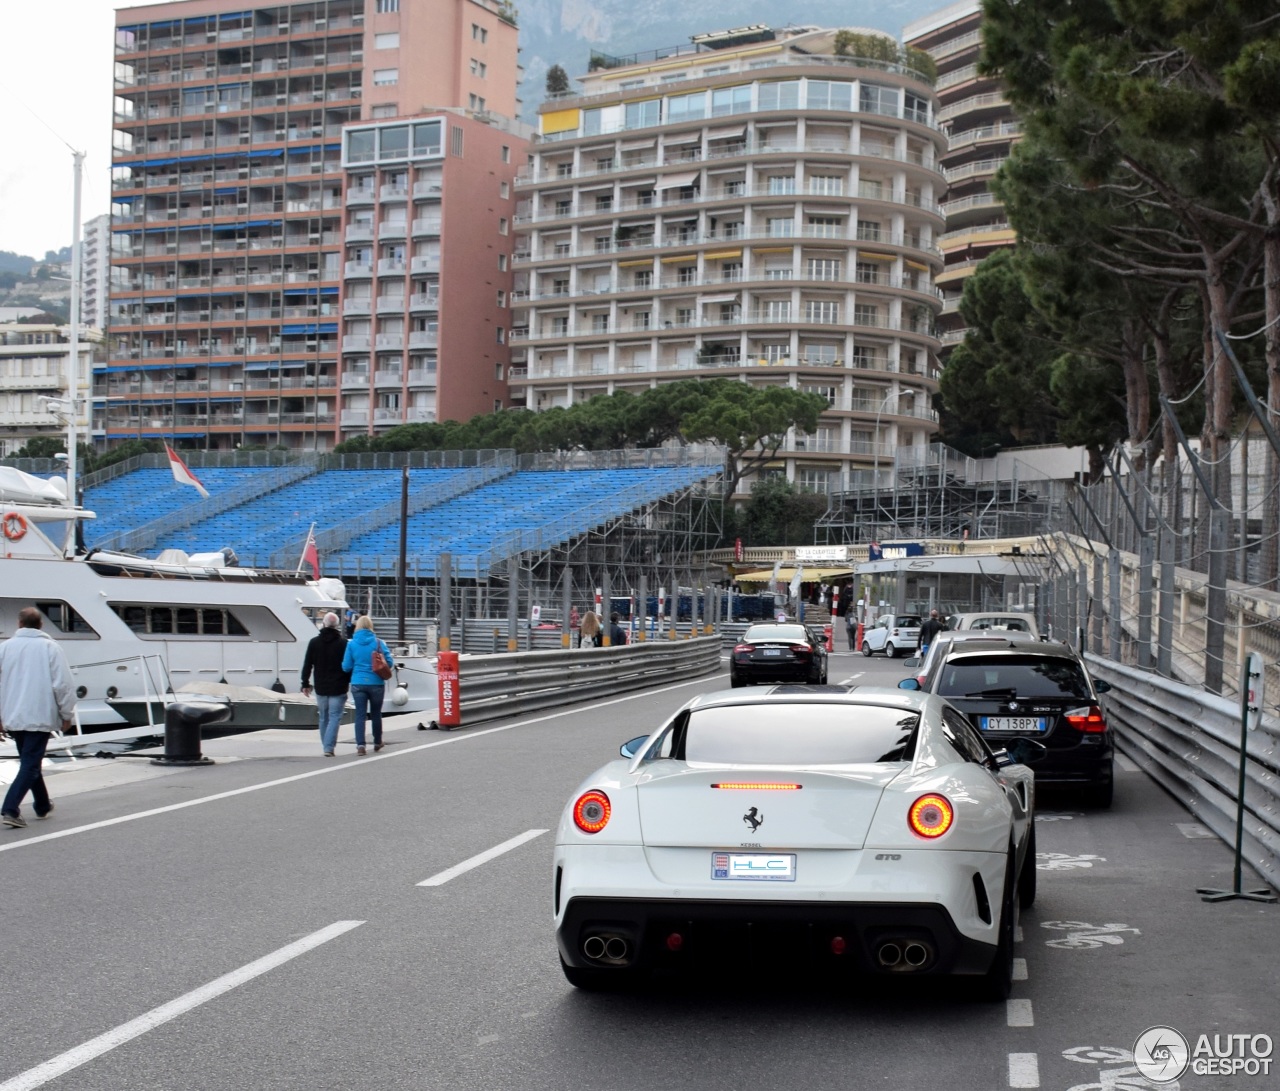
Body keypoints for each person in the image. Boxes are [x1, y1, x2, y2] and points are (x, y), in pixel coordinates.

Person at [0, 607, 76, 828]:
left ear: (19, 624)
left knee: (29, 762)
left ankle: (42, 805)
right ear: (41, 625)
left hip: (13, 714)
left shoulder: (4, 648)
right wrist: (67, 714)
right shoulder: (50, 648)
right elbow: (63, 685)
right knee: (31, 764)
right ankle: (10, 809)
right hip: (40, 715)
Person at [341, 616, 394, 755]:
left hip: (358, 683)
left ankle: (360, 746)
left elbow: (346, 667)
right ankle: (377, 742)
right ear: (371, 626)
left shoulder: (351, 644)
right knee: (376, 714)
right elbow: (390, 662)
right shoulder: (378, 643)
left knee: (360, 715)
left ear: (357, 626)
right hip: (376, 683)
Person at [301, 612, 351, 757]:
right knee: (335, 716)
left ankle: (326, 745)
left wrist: (305, 683)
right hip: (339, 686)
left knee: (323, 717)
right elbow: (348, 666)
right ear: (337, 626)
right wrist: (348, 681)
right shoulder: (343, 643)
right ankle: (328, 747)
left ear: (323, 624)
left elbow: (307, 664)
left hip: (321, 685)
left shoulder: (314, 643)